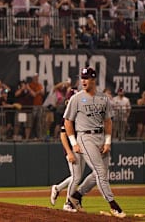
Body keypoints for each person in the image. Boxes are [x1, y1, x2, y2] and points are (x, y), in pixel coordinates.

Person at [63, 67, 126, 218]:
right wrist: (74, 143)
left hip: (100, 137)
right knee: (100, 172)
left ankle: (76, 196)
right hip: (85, 137)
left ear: (93, 79)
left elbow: (108, 121)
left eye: (87, 78)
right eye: (82, 78)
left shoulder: (103, 98)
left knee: (101, 172)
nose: (83, 81)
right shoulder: (76, 98)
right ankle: (113, 205)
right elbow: (67, 122)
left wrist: (108, 142)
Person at [51, 88, 97, 213]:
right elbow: (62, 135)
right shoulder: (68, 114)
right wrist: (69, 152)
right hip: (72, 148)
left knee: (77, 177)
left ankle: (58, 188)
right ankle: (68, 203)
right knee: (76, 178)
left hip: (81, 147)